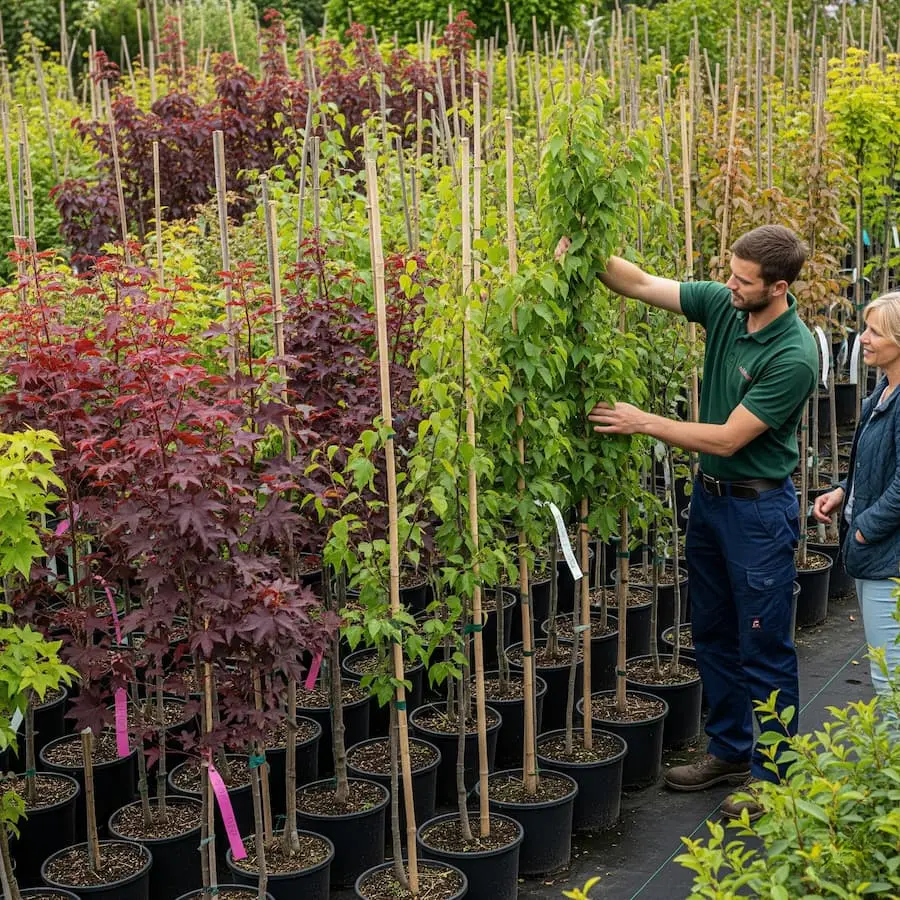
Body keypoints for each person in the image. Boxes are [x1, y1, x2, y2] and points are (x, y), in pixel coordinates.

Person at [555, 224, 818, 820]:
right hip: (711, 503)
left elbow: (727, 439)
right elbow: (642, 283)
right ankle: (728, 749)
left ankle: (773, 779)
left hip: (757, 511)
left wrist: (642, 421)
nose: (729, 284)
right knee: (712, 631)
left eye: (743, 280)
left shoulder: (793, 353)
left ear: (776, 288)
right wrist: (587, 252)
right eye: (730, 271)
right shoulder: (727, 305)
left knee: (764, 645)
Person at [814, 292, 900, 701]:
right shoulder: (882, 392)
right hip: (873, 553)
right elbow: (875, 467)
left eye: (873, 331)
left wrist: (863, 528)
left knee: (890, 682)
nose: (862, 338)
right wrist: (843, 492)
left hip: (888, 559)